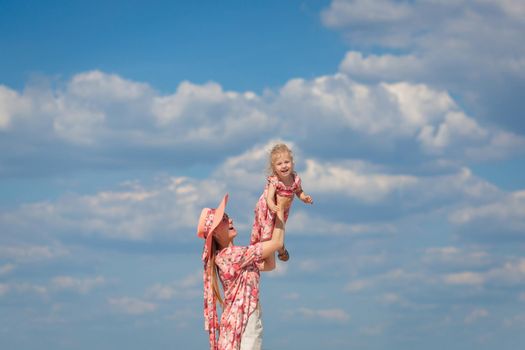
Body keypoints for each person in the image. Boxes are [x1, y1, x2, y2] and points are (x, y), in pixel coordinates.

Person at [197, 194, 286, 350]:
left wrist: (268, 225)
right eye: (224, 220)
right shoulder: (232, 256)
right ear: (216, 233)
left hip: (239, 322)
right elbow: (277, 243)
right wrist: (280, 211)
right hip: (245, 321)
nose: (230, 220)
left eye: (228, 217)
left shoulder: (235, 257)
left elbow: (270, 264)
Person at [250, 143, 313, 262]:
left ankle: (277, 248)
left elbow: (298, 191)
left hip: (282, 209)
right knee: (268, 229)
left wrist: (304, 198)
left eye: (286, 162)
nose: (284, 166)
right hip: (268, 209)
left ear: (292, 163)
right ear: (274, 168)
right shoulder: (275, 180)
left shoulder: (295, 179)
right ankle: (264, 250)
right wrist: (272, 206)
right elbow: (269, 197)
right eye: (279, 164)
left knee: (278, 230)